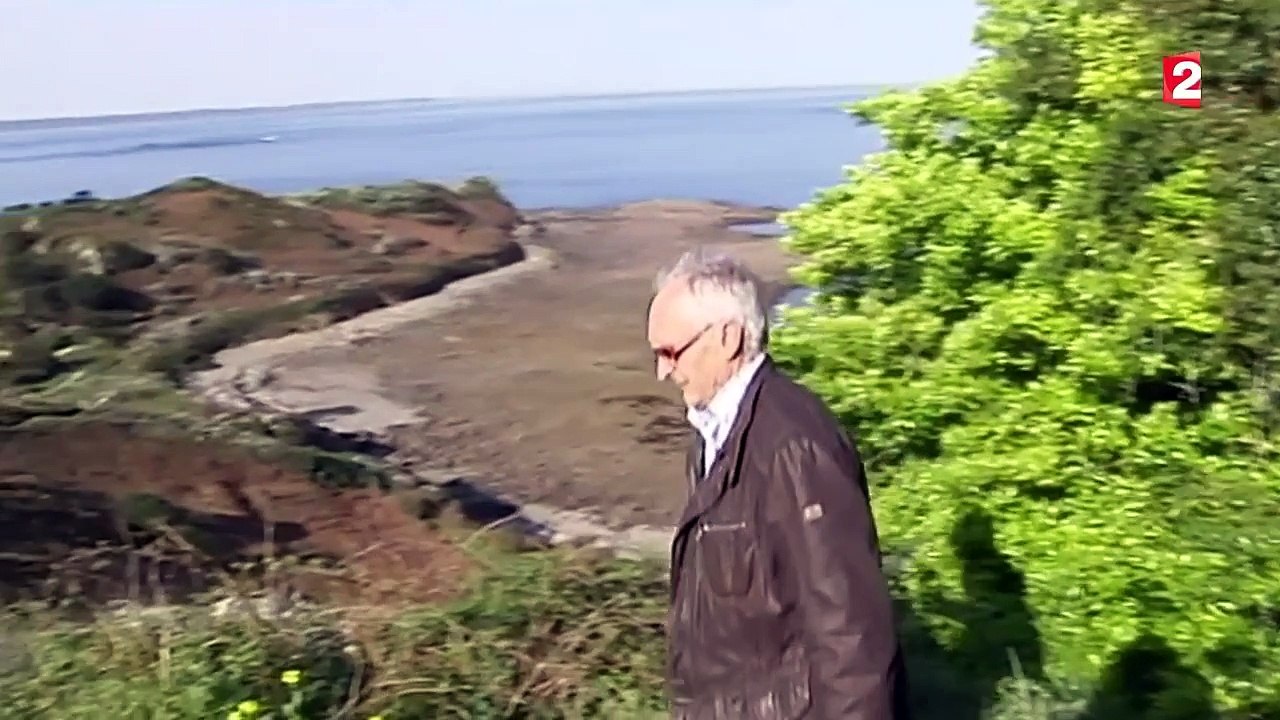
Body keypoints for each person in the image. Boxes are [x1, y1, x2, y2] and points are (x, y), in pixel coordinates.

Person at [645, 248, 910, 719]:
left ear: (727, 338)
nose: (663, 370)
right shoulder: (712, 435)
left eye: (670, 351)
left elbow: (849, 632)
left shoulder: (794, 445)